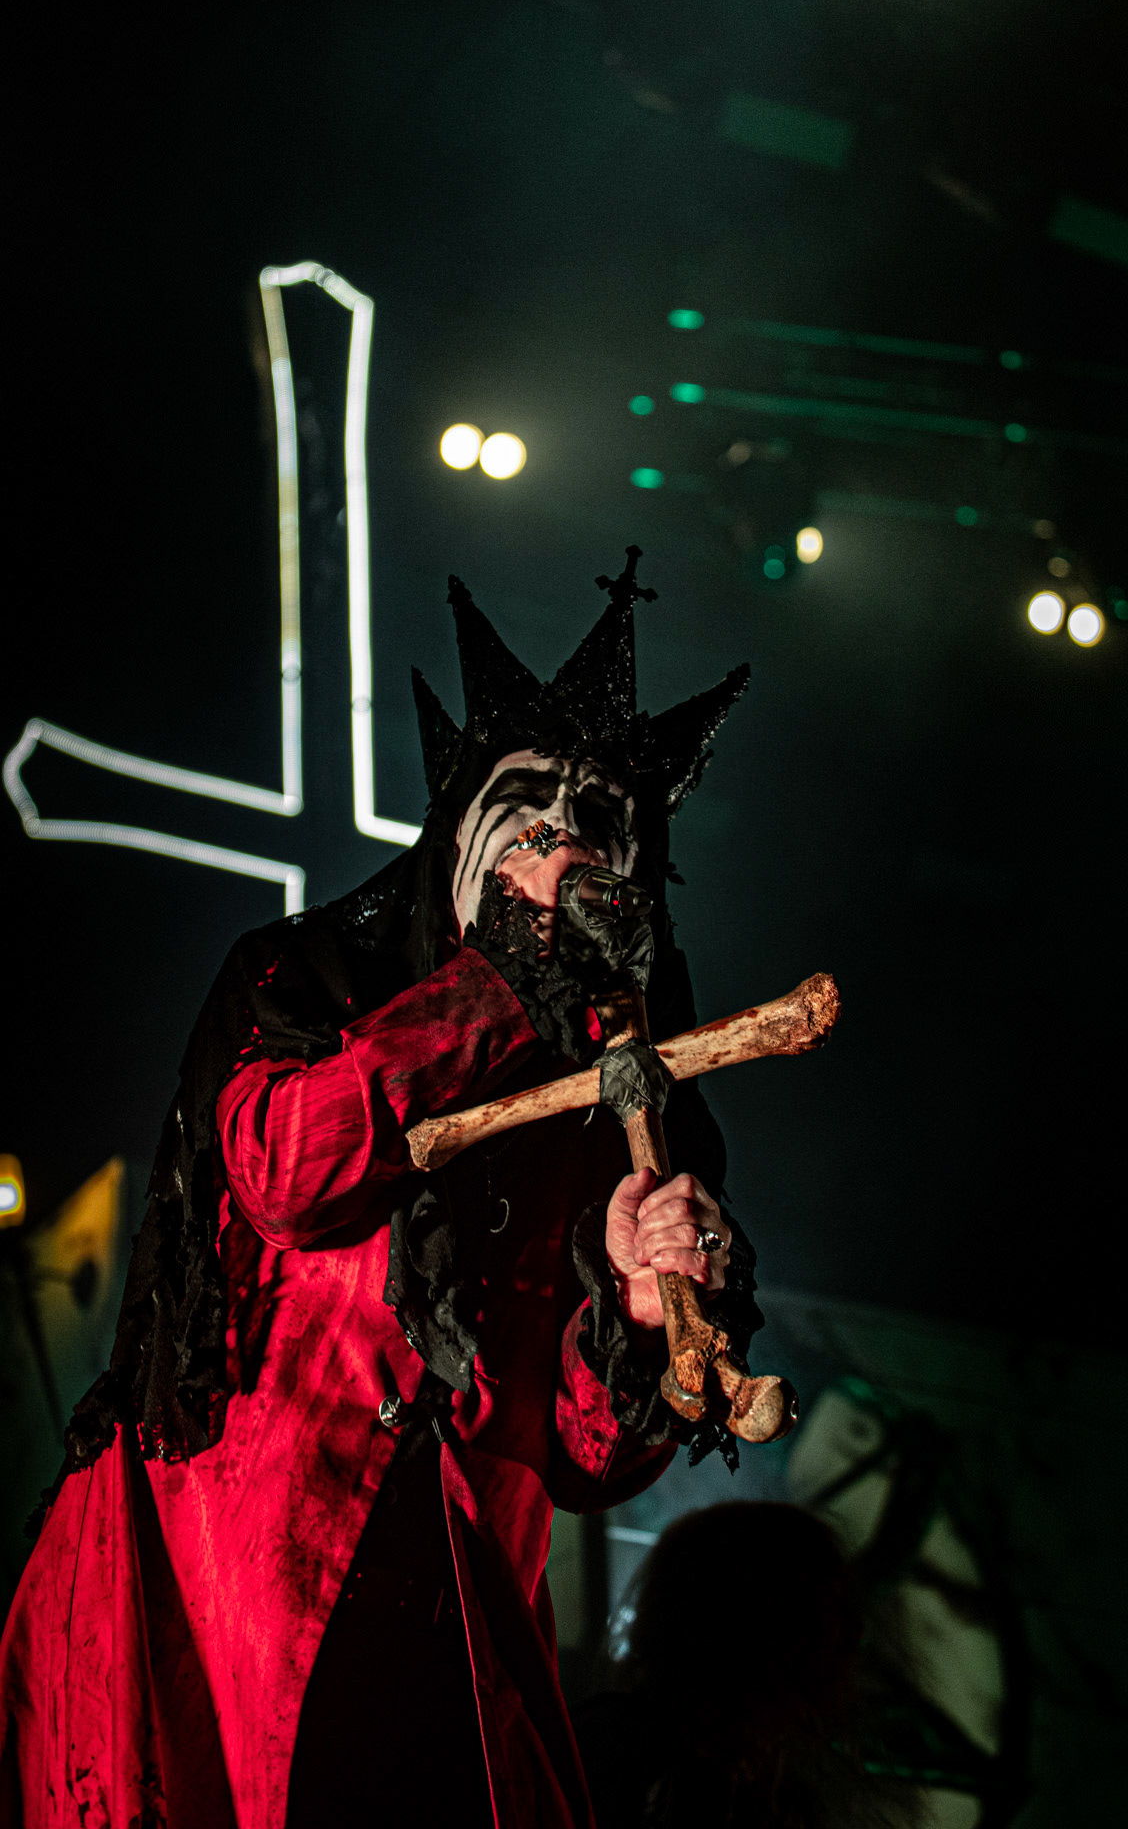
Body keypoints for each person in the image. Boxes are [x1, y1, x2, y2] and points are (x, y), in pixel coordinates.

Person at [0, 551, 765, 1829]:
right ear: (461, 839)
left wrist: (638, 1307)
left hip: (443, 1615)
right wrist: (500, 984)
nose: (567, 857)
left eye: (598, 835)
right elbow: (289, 1178)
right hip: (214, 1585)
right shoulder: (305, 984)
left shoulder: (632, 1102)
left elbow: (584, 1457)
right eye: (529, 828)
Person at [573, 1502, 924, 1829]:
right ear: (761, 1627)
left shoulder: (764, 1779)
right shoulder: (621, 1753)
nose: (853, 1636)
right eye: (823, 1611)